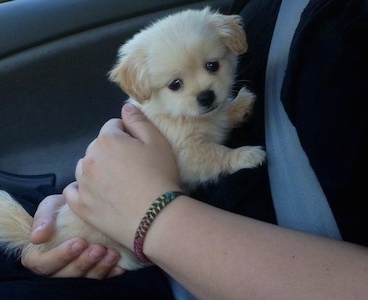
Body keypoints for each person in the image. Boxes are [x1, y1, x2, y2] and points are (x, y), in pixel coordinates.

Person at [21, 0, 368, 299]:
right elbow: (187, 154)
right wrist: (91, 195)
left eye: (212, 66)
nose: (204, 89)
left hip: (165, 259)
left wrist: (150, 214)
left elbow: (188, 159)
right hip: (118, 234)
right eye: (175, 84)